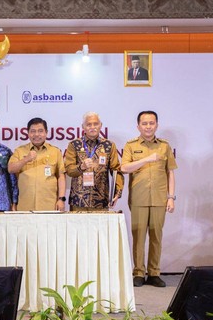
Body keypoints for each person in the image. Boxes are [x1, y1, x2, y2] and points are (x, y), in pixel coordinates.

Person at [121, 110, 177, 288]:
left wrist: (171, 197)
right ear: (138, 126)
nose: (148, 126)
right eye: (144, 123)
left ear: (157, 125)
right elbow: (124, 168)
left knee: (156, 235)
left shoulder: (164, 146)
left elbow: (170, 173)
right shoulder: (131, 145)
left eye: (151, 123)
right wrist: (147, 159)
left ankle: (154, 273)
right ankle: (138, 272)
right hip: (139, 197)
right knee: (138, 236)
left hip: (160, 198)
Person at [64, 112, 124, 210]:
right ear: (83, 127)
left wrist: (117, 192)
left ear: (101, 125)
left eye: (95, 124)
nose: (92, 127)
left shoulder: (109, 145)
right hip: (78, 201)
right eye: (88, 124)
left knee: (101, 226)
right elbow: (69, 170)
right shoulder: (74, 144)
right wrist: (81, 167)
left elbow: (116, 171)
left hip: (101, 201)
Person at [8, 117, 66, 211]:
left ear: (46, 132)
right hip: (25, 206)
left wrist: (61, 199)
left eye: (40, 131)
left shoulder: (55, 151)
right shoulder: (20, 151)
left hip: (49, 206)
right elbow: (11, 169)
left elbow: (61, 177)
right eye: (33, 131)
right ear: (28, 133)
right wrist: (25, 159)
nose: (36, 134)